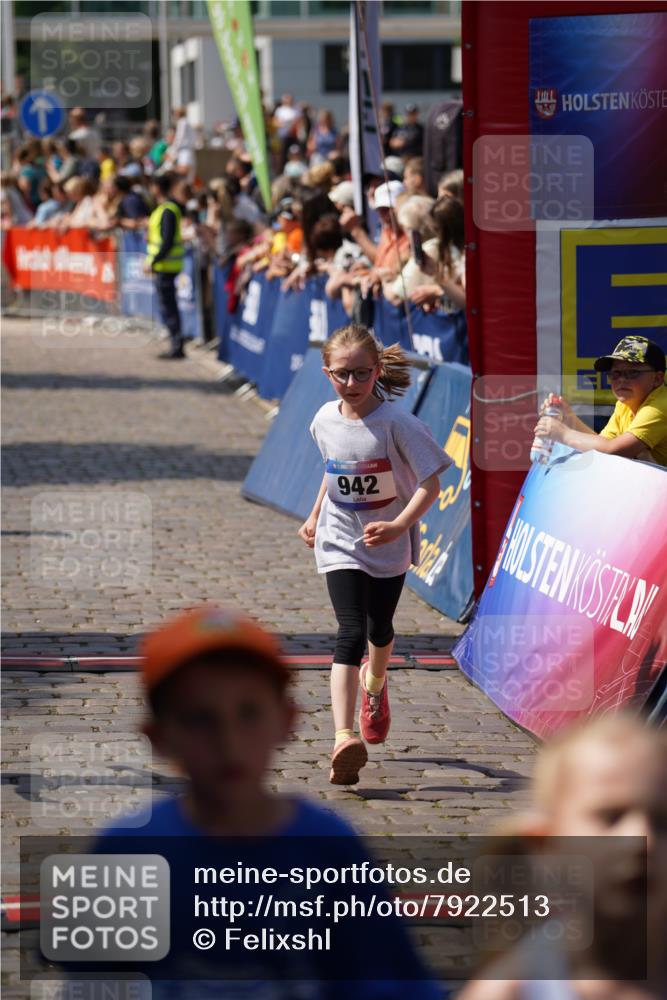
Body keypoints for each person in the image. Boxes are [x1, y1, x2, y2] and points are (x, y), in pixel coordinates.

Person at [94, 605, 442, 999]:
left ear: (287, 719)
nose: (229, 742)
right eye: (200, 719)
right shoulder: (122, 854)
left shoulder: (330, 851)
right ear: (156, 735)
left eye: (249, 713)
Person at [298, 325, 450, 785]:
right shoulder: (324, 419)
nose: (351, 383)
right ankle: (344, 737)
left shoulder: (398, 425)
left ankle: (376, 685)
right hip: (340, 538)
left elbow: (431, 484)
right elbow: (334, 470)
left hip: (388, 543)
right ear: (327, 374)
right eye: (342, 374)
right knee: (349, 629)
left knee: (378, 628)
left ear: (377, 371)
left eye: (361, 374)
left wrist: (400, 525)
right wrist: (314, 514)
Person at [458, 713, 667, 998]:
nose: (643, 839)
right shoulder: (513, 989)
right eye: (610, 816)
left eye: (662, 821)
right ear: (546, 846)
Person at [534, 336, 667, 466]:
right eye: (615, 373)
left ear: (657, 379)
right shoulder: (625, 403)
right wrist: (568, 417)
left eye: (632, 373)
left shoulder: (660, 406)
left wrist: (564, 434)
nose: (621, 380)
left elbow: (612, 450)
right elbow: (603, 443)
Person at [144, 174, 186, 360]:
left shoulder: (167, 210)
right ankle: (175, 344)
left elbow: (167, 241)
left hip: (166, 265)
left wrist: (153, 261)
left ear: (156, 187)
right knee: (167, 307)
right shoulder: (164, 209)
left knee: (169, 307)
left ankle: (177, 347)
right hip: (165, 265)